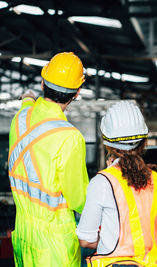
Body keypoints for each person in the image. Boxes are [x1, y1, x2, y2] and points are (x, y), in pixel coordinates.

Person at [8, 52, 89, 266]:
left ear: (43, 83)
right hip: (55, 246)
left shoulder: (20, 119)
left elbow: (27, 105)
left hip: (23, 236)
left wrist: (28, 97)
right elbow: (80, 199)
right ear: (77, 92)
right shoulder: (70, 137)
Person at [76, 101, 157, 267]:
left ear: (107, 143)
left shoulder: (102, 182)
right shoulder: (156, 180)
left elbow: (86, 241)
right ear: (143, 142)